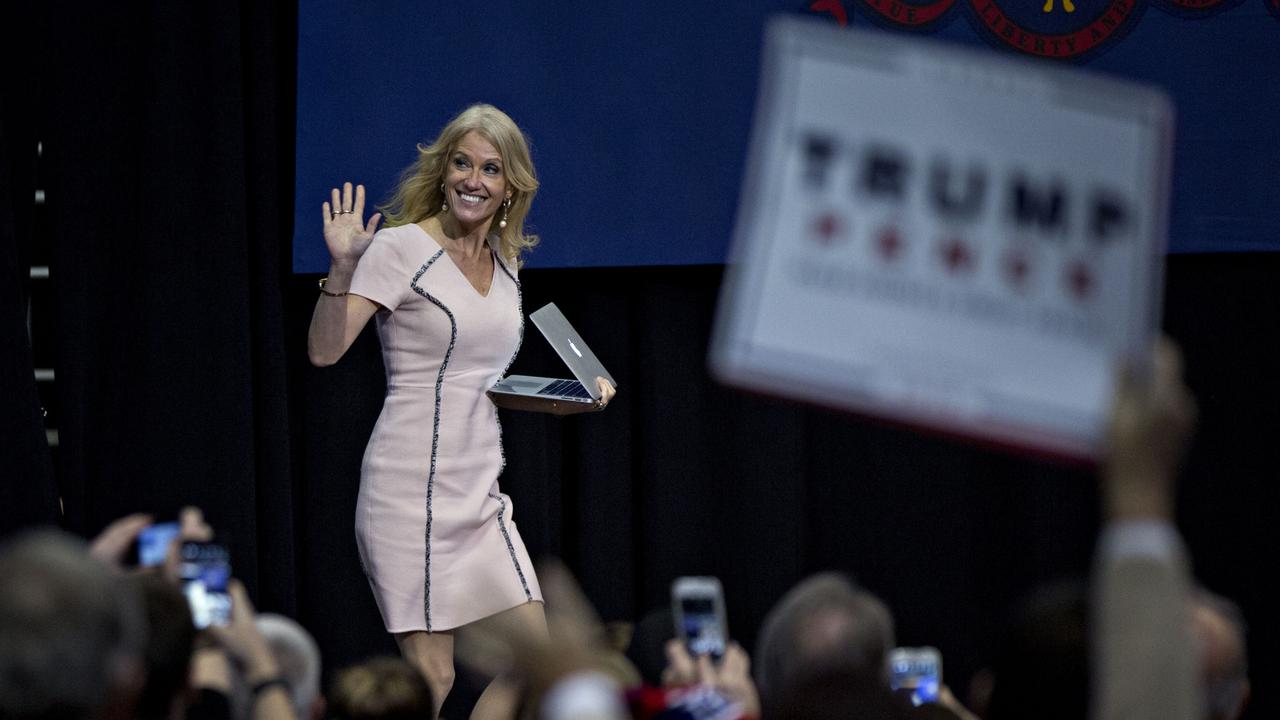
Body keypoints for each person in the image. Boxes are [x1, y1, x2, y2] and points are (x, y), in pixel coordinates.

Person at [307, 103, 616, 716]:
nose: (474, 180)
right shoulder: (398, 249)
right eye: (462, 164)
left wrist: (568, 398)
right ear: (443, 171)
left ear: (510, 186)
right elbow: (324, 351)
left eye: (491, 169)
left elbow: (481, 380)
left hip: (479, 493)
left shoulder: (507, 261)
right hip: (409, 491)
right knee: (435, 680)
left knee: (535, 662)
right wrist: (343, 268)